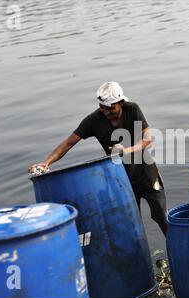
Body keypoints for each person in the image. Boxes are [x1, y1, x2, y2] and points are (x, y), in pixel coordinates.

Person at [29, 81, 167, 236]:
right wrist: (46, 162)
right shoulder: (94, 120)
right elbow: (68, 143)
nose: (106, 112)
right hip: (121, 179)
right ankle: (144, 255)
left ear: (120, 103)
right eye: (103, 107)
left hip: (146, 174)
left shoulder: (132, 109)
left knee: (160, 216)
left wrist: (126, 150)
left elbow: (148, 139)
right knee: (133, 221)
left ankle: (174, 252)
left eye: (110, 108)